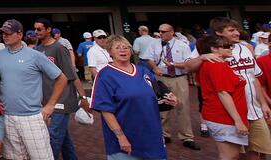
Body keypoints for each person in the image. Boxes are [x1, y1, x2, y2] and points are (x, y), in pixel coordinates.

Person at [184, 16, 271, 158]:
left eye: (237, 30)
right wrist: (202, 57)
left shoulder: (246, 48)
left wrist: (263, 104)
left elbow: (254, 77)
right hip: (231, 112)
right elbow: (187, 67)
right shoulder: (210, 49)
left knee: (258, 151)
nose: (237, 33)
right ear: (219, 32)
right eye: (231, 30)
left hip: (254, 110)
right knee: (235, 153)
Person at [91, 34, 176, 160]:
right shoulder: (105, 75)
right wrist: (121, 137)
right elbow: (105, 110)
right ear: (110, 52)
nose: (123, 50)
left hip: (152, 135)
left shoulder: (144, 72)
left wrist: (170, 100)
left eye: (126, 47)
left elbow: (156, 97)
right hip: (126, 138)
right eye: (118, 48)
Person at [0, 19, 67, 160]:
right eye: (2, 33)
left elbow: (61, 78)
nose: (5, 36)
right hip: (7, 116)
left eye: (8, 33)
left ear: (19, 34)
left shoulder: (35, 55)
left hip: (31, 117)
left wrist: (50, 105)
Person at [34, 18, 87, 160]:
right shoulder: (37, 50)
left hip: (62, 98)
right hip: (47, 98)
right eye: (35, 29)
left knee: (54, 136)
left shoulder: (59, 48)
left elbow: (72, 75)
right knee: (64, 138)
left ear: (48, 29)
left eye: (39, 29)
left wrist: (82, 97)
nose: (36, 32)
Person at [142, 22, 200, 151]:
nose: (160, 34)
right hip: (161, 78)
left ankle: (187, 137)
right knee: (162, 107)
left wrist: (173, 64)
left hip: (178, 78)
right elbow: (149, 58)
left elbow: (188, 63)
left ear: (172, 32)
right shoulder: (154, 44)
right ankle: (165, 134)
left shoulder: (182, 45)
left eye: (163, 31)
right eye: (159, 31)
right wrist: (155, 68)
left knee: (182, 107)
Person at [196, 34, 250, 160]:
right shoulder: (216, 65)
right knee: (229, 156)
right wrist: (238, 121)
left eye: (230, 46)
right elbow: (223, 93)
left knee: (233, 155)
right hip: (222, 117)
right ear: (214, 49)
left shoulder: (216, 64)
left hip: (224, 116)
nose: (230, 48)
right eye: (226, 46)